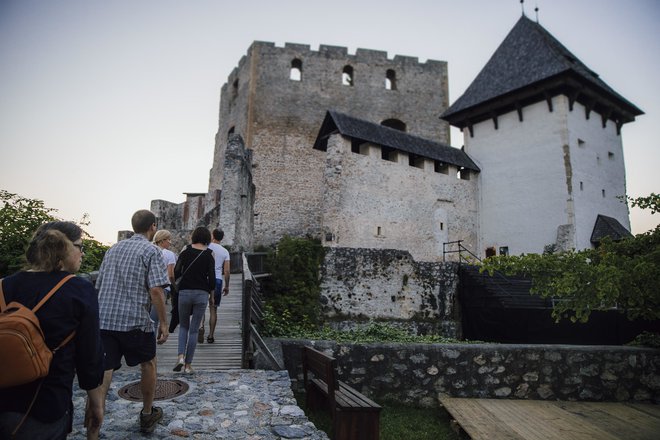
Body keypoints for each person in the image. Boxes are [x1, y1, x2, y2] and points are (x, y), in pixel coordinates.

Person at [0, 221, 105, 440]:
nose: (83, 254)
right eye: (80, 247)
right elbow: (89, 355)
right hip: (46, 403)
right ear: (65, 248)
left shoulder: (4, 285)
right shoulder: (79, 290)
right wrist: (96, 403)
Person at [95, 210, 169, 434]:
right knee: (148, 363)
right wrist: (164, 323)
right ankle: (147, 414)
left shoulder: (113, 249)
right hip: (134, 320)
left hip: (105, 319)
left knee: (105, 370)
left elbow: (99, 284)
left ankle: (95, 420)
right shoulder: (151, 250)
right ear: (153, 227)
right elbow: (156, 290)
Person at [173, 226, 215, 374]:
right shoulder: (209, 254)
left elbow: (176, 272)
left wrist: (176, 287)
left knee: (183, 326)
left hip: (184, 291)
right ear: (207, 239)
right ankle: (188, 366)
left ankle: (180, 357)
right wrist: (210, 292)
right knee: (194, 329)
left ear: (194, 236)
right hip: (201, 294)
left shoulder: (185, 252)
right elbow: (212, 280)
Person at [205, 228, 230, 343]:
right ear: (222, 238)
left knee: (200, 306)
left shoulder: (206, 247)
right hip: (217, 280)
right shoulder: (225, 252)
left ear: (212, 236)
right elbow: (227, 271)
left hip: (204, 279)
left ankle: (201, 326)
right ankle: (210, 335)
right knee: (213, 309)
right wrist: (227, 285)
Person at [151, 230, 177, 332]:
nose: (170, 242)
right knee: (155, 320)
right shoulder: (170, 254)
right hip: (162, 288)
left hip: (148, 287)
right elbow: (171, 275)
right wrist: (174, 286)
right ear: (162, 241)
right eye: (169, 240)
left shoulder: (150, 250)